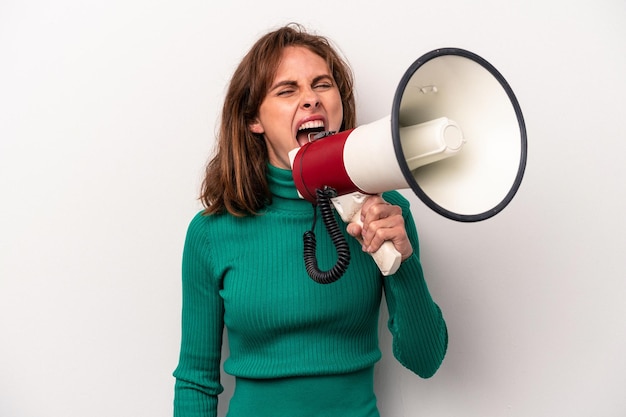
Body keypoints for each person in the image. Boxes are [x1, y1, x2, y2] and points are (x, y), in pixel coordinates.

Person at [173, 23, 448, 417]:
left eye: (322, 85)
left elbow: (426, 359)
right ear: (254, 119)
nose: (311, 100)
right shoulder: (212, 233)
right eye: (287, 90)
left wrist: (402, 264)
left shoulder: (384, 212)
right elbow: (196, 381)